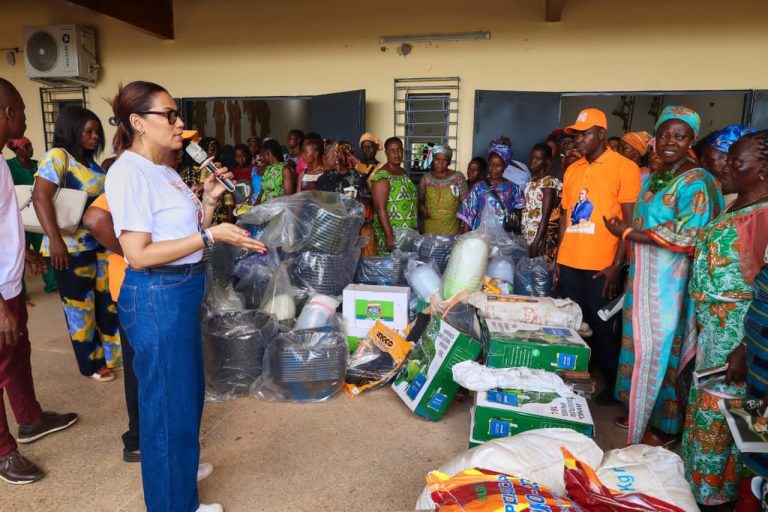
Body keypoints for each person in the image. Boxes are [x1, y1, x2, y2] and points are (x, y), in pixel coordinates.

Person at [105, 80, 266, 512]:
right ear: (138, 122)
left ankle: (180, 484)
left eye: (177, 115)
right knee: (165, 410)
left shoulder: (166, 170)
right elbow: (137, 254)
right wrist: (211, 234)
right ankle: (173, 503)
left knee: (186, 398)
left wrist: (210, 202)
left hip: (180, 290)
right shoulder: (128, 171)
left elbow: (183, 230)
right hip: (157, 294)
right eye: (170, 115)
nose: (180, 124)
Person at [603, 106, 723, 448]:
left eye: (680, 136)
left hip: (671, 285)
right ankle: (642, 410)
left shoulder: (697, 181)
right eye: (665, 135)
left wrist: (627, 234)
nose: (670, 142)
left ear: (692, 140)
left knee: (664, 350)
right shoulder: (658, 176)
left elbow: (687, 234)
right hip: (644, 279)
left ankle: (666, 425)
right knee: (641, 347)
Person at [679, 130, 768, 509]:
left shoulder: (764, 217)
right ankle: (698, 488)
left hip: (740, 337)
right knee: (710, 412)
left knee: (735, 420)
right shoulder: (736, 205)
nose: (725, 167)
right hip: (714, 330)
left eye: (737, 162)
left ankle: (721, 497)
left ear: (763, 170)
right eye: (727, 158)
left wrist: (747, 348)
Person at [0, 78, 78, 485]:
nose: (27, 116)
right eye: (22, 110)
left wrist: (23, 252)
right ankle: (3, 451)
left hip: (8, 281)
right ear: (7, 113)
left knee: (15, 352)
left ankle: (30, 419)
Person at [554, 108, 641, 406]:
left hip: (602, 266)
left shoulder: (624, 167)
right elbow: (566, 216)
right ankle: (580, 375)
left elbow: (629, 221)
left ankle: (613, 385)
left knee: (604, 327)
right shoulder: (572, 169)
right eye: (576, 134)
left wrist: (617, 266)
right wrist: (558, 259)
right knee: (575, 325)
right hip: (570, 262)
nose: (579, 140)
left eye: (585, 134)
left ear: (601, 134)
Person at [31, 106, 121, 382]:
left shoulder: (92, 163)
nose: (95, 137)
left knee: (107, 303)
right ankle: (91, 363)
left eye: (97, 132)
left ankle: (111, 355)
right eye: (88, 132)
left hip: (100, 246)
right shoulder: (58, 157)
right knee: (80, 307)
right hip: (70, 248)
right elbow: (40, 197)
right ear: (71, 131)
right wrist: (55, 241)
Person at [6, 137, 57, 295]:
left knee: (45, 250)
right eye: (26, 146)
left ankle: (52, 284)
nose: (30, 148)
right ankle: (20, 293)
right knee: (20, 255)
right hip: (19, 218)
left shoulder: (38, 164)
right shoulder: (9, 166)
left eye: (31, 145)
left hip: (38, 217)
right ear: (17, 149)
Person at [316, 141, 377, 256]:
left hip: (350, 235)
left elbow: (366, 211)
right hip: (336, 235)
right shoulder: (324, 180)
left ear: (337, 157)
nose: (323, 159)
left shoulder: (358, 179)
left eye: (326, 156)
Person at [458, 141, 524, 232]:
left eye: (498, 165)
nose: (493, 169)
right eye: (491, 165)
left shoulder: (514, 188)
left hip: (504, 238)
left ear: (505, 166)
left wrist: (517, 234)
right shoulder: (478, 187)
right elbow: (468, 213)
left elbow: (518, 214)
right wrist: (465, 238)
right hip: (480, 237)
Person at [371, 137, 417, 254]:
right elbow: (380, 208)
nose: (396, 154)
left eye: (399, 150)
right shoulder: (382, 176)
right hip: (392, 234)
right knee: (391, 268)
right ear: (386, 153)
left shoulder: (403, 172)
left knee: (405, 267)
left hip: (407, 232)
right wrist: (389, 236)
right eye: (392, 150)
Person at [522, 143, 562, 259]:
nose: (532, 161)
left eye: (537, 159)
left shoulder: (548, 183)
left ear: (547, 161)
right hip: (528, 234)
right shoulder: (533, 180)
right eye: (532, 157)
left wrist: (536, 243)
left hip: (539, 238)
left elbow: (546, 216)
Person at [700, 124, 754, 208]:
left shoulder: (745, 203)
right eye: (703, 159)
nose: (703, 165)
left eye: (708, 160)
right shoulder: (705, 191)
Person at [417, 145, 468, 235]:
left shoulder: (457, 178)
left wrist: (463, 227)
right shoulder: (426, 179)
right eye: (437, 159)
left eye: (444, 160)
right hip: (430, 228)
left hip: (452, 228)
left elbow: (465, 203)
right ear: (433, 160)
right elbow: (420, 201)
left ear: (449, 162)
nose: (440, 163)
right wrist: (423, 209)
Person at [254, 139, 295, 204]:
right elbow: (262, 192)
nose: (261, 158)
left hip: (278, 209)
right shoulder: (267, 170)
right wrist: (254, 208)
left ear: (268, 153)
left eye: (262, 155)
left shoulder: (285, 169)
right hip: (264, 209)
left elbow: (288, 198)